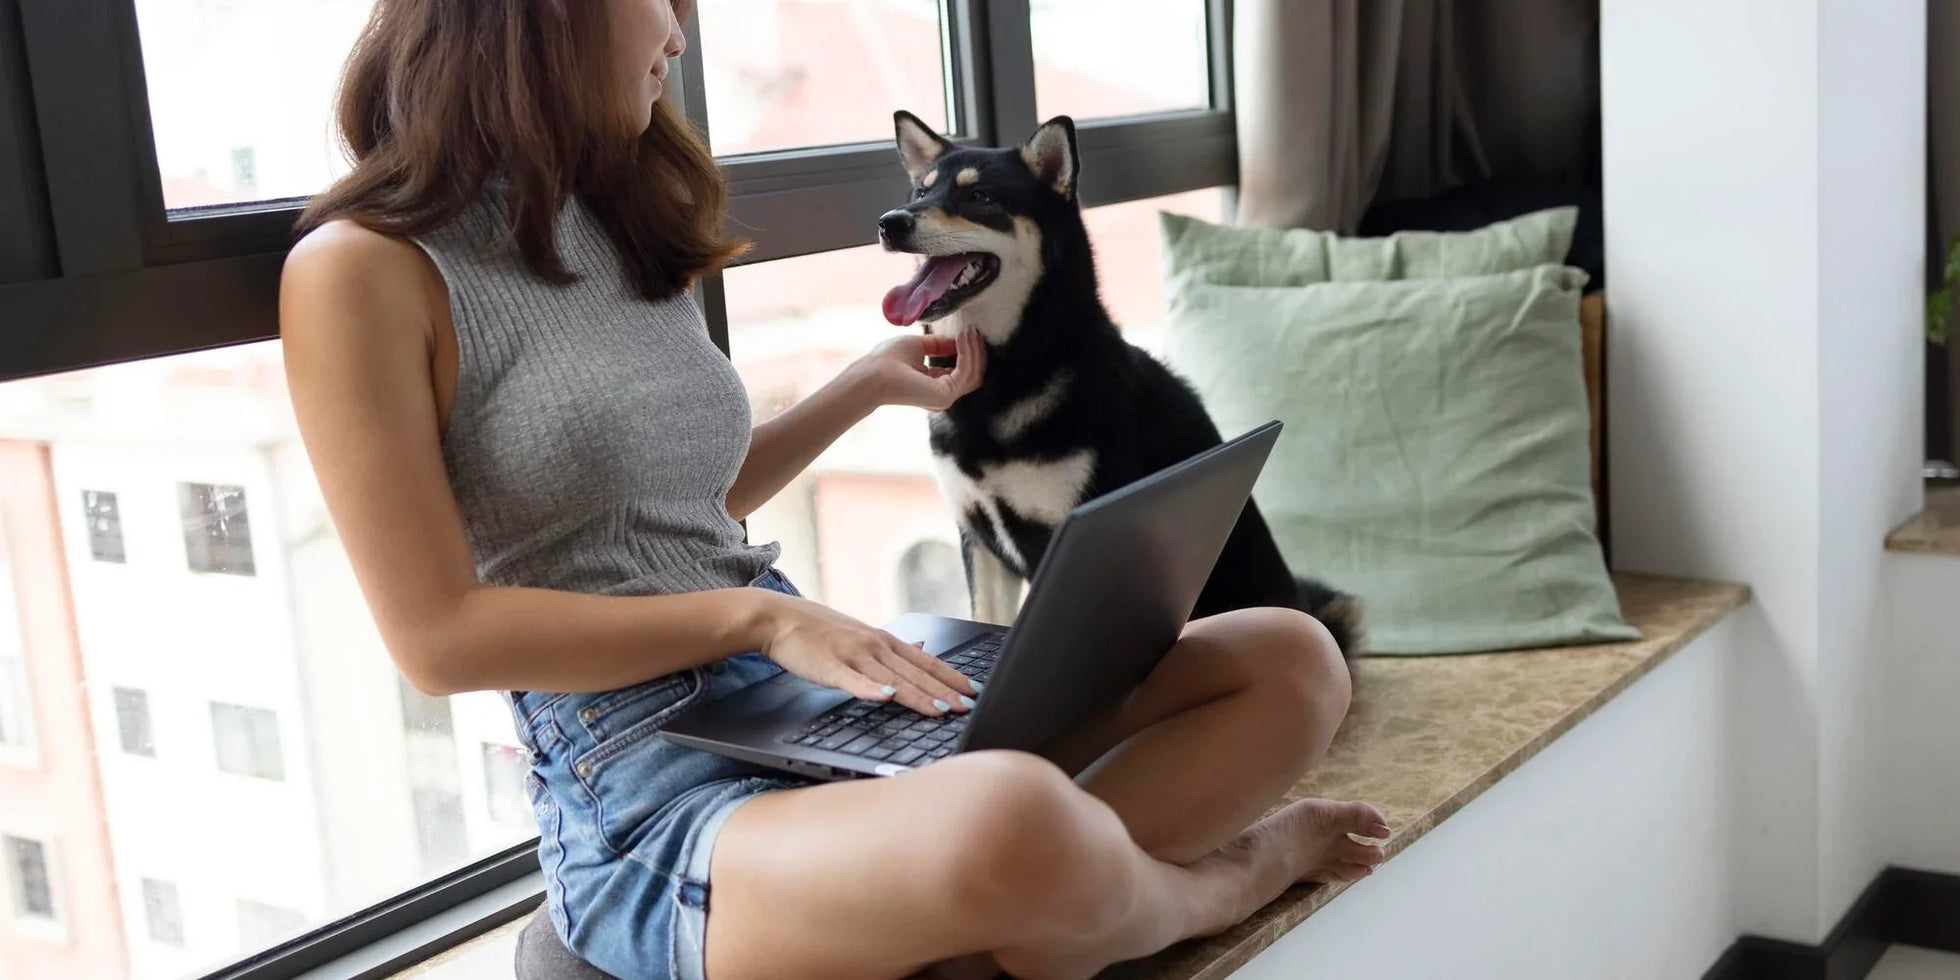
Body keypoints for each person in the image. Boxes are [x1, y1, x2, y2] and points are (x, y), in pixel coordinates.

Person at [278, 2, 1387, 977]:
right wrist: (762, 614)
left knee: (1287, 658)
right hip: (644, 785)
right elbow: (439, 640)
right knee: (1014, 818)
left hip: (810, 709)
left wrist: (859, 389)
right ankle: (1197, 887)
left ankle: (998, 908)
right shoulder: (359, 270)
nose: (677, 27)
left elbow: (677, 514)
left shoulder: (610, 218)